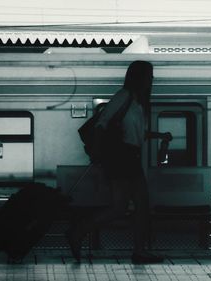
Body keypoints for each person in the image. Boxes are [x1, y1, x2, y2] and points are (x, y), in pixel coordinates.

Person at [66, 60, 172, 264]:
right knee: (141, 204)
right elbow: (102, 124)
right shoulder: (124, 96)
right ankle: (138, 251)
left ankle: (78, 231)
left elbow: (136, 134)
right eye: (149, 75)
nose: (152, 80)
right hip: (122, 158)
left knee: (120, 207)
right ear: (139, 77)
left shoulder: (138, 103)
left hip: (129, 156)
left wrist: (159, 135)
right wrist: (96, 152)